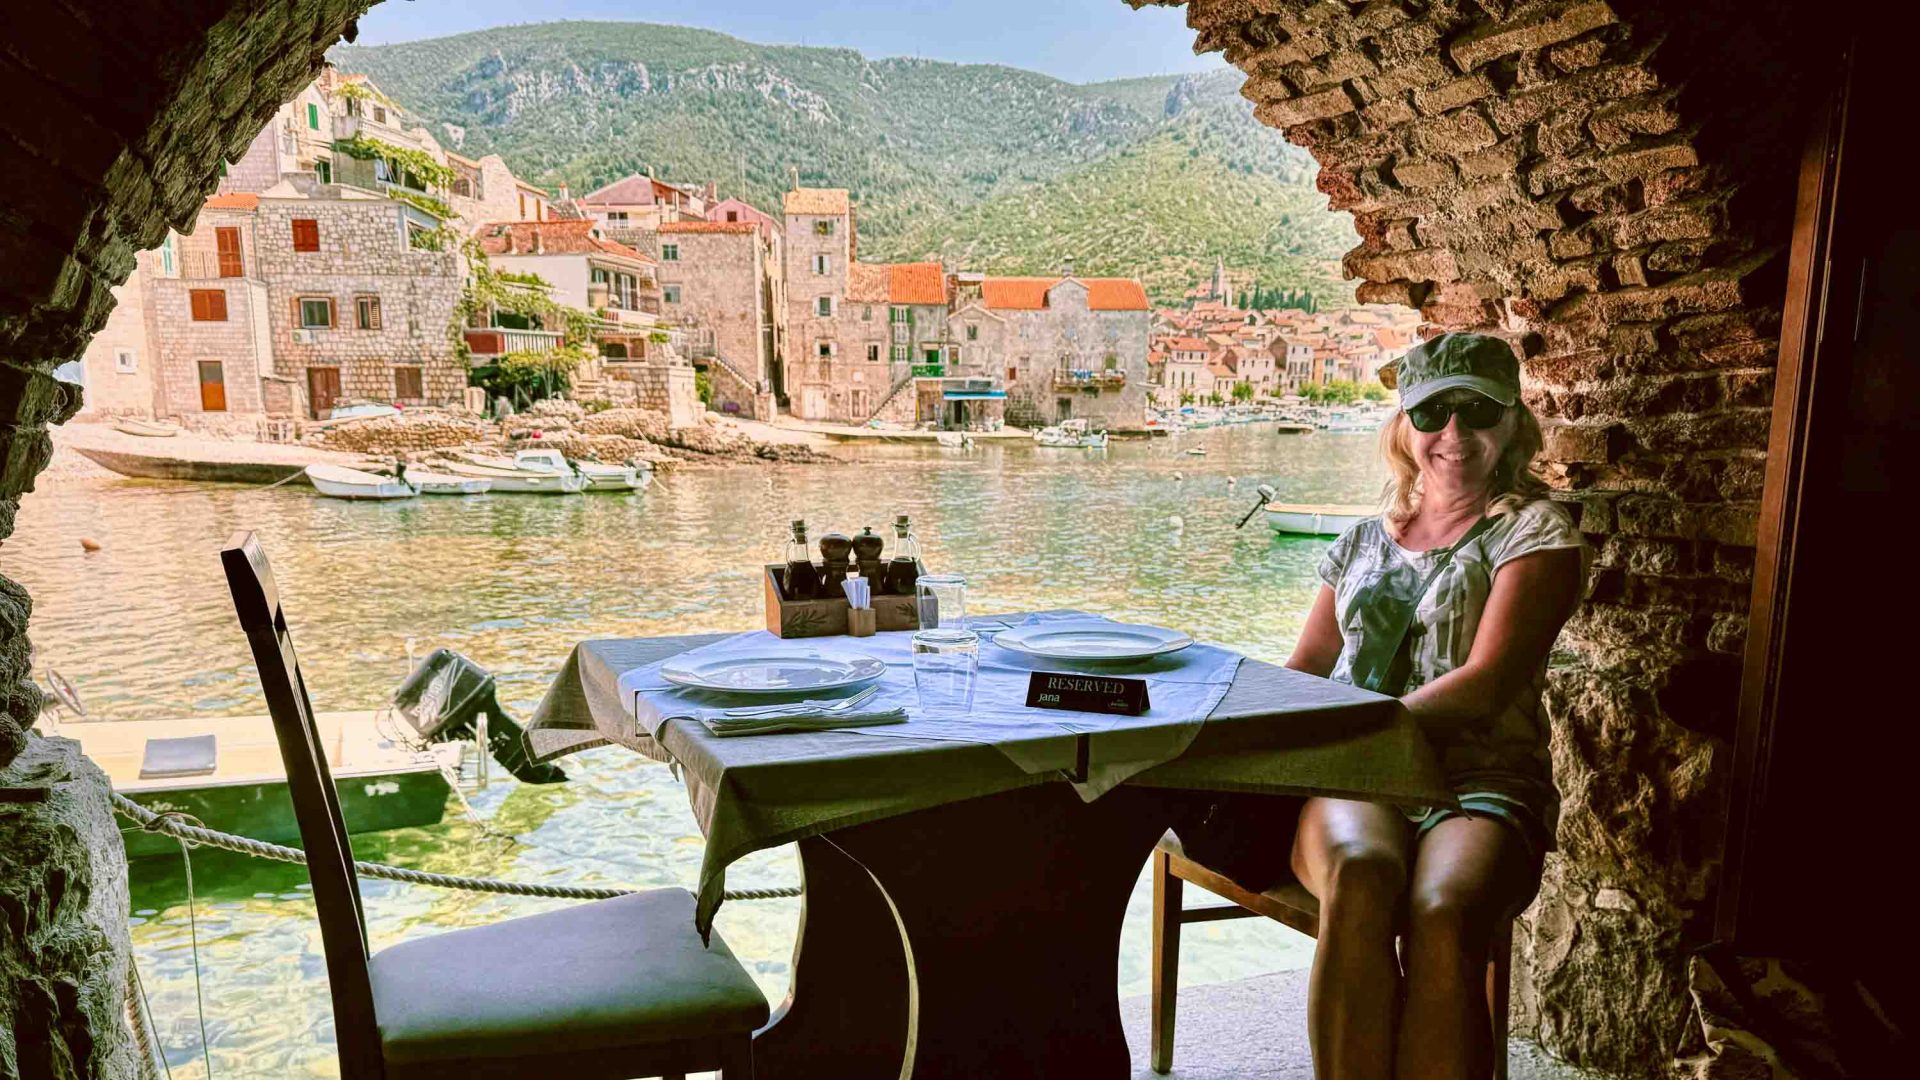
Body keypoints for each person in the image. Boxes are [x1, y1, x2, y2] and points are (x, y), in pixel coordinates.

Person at [1284, 332, 1587, 1079]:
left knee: (1443, 910)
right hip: (1360, 772)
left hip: (1480, 775)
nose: (1454, 434)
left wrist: (1355, 726)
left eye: (1479, 411)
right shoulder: (1359, 542)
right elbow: (1310, 664)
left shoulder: (1535, 533)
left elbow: (1486, 680)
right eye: (1432, 413)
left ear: (1513, 424)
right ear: (1403, 428)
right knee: (1358, 875)